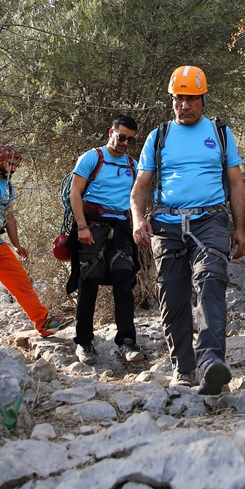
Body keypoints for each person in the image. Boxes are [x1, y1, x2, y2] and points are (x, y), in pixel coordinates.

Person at [131, 66, 245, 394]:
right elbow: (140, 187)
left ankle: (211, 362)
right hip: (167, 225)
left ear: (203, 99)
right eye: (179, 99)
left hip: (210, 220)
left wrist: (239, 228)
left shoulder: (221, 133)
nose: (185, 105)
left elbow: (236, 184)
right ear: (172, 99)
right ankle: (183, 367)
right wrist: (139, 219)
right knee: (173, 295)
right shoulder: (159, 136)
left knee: (212, 279)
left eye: (192, 99)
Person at [0, 144, 71, 337]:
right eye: (10, 163)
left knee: (22, 283)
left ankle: (44, 322)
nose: (14, 169)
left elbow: (10, 218)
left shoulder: (9, 186)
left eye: (17, 165)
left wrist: (17, 245)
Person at [65, 115, 145, 365]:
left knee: (124, 280)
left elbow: (134, 198)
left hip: (120, 229)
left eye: (130, 140)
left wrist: (137, 225)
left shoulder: (132, 165)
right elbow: (74, 193)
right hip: (92, 227)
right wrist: (81, 227)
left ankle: (126, 342)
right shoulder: (93, 157)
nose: (125, 143)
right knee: (88, 281)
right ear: (110, 132)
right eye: (121, 137)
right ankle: (84, 342)